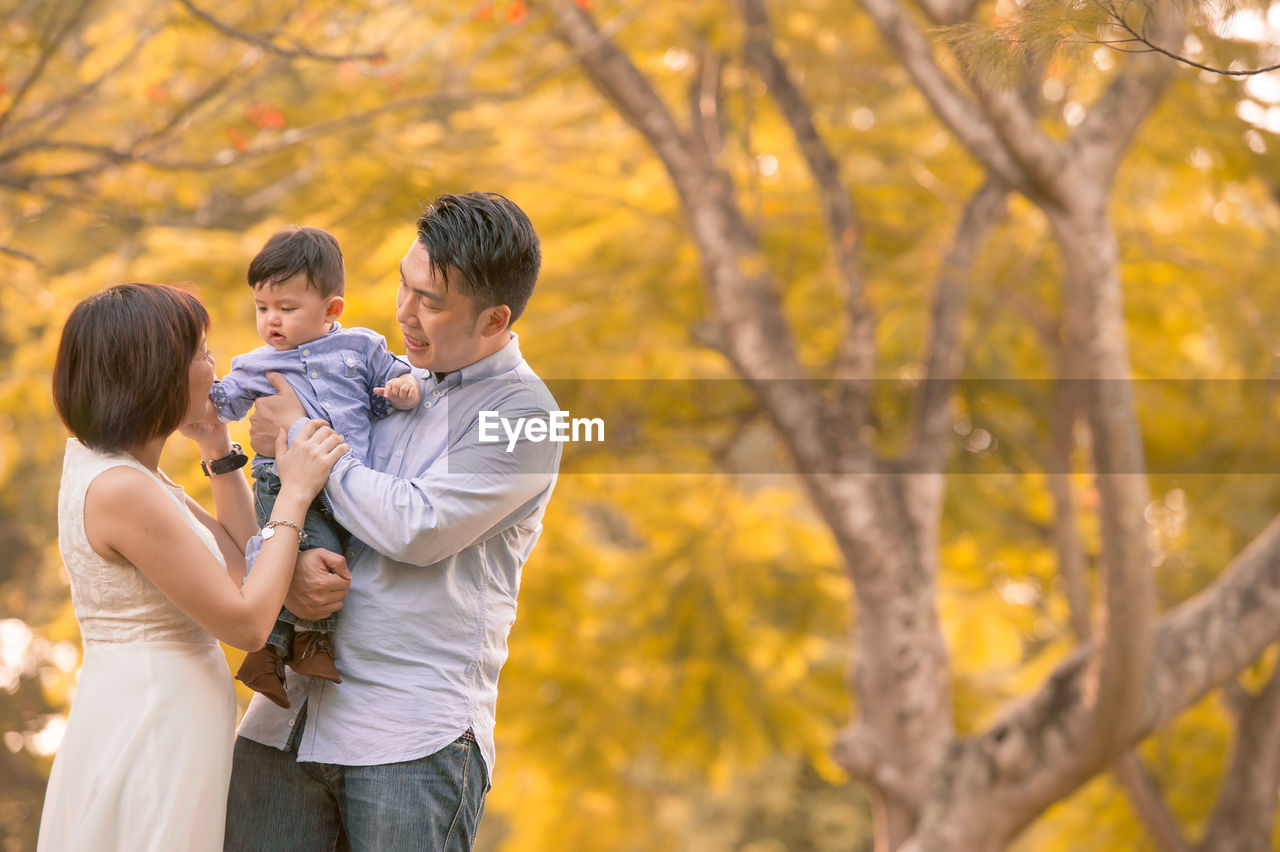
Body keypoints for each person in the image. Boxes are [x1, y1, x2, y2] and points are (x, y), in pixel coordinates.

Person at [224, 192, 560, 851]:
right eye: (404, 286)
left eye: (431, 301)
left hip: (410, 738)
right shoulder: (385, 374)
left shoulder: (522, 414)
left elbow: (416, 527)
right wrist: (284, 565)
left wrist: (300, 439)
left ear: (494, 319)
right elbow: (289, 507)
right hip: (284, 722)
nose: (405, 312)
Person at [38, 282, 349, 852]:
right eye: (203, 354)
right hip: (155, 723)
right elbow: (250, 621)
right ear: (156, 373)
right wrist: (295, 493)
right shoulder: (120, 489)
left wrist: (218, 450)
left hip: (164, 713)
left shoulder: (127, 473)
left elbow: (245, 565)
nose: (216, 368)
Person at [210, 226, 420, 706]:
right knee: (313, 551)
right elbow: (222, 404)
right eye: (262, 308)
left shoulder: (362, 347)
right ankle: (307, 646)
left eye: (287, 308)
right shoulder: (255, 364)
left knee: (324, 562)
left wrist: (404, 389)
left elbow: (392, 385)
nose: (272, 321)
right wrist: (199, 389)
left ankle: (273, 650)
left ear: (332, 309)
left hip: (344, 482)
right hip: (278, 478)